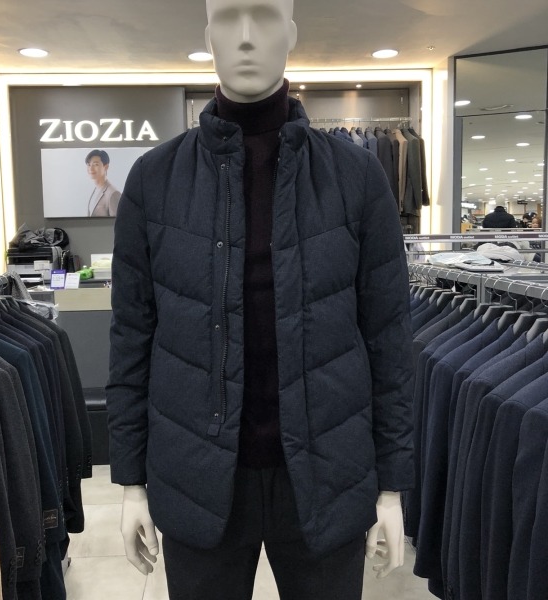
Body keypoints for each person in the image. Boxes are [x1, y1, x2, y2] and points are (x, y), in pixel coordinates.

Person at [106, 0, 414, 598]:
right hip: (197, 478)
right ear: (207, 35)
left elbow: (389, 338)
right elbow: (132, 338)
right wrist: (132, 482)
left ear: (292, 32)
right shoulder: (154, 179)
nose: (246, 37)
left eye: (266, 16)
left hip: (328, 476)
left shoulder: (356, 178)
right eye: (227, 18)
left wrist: (391, 486)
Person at [85, 149, 121, 217]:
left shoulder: (113, 193)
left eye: (96, 164)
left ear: (106, 167)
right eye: (89, 165)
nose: (91, 168)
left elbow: (116, 222)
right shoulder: (96, 189)